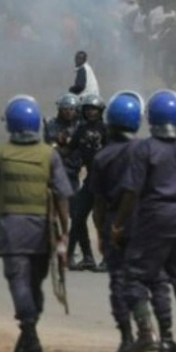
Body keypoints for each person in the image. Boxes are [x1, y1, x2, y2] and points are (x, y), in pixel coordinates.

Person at [113, 90, 176, 352]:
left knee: (134, 275)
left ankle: (146, 332)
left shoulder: (144, 148)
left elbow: (132, 192)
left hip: (153, 221)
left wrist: (118, 224)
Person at [0, 95, 74, 352]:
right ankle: (28, 333)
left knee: (19, 281)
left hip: (10, 229)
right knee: (35, 283)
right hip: (42, 232)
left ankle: (28, 332)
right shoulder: (50, 154)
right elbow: (63, 196)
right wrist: (65, 232)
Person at [90, 91, 174, 352]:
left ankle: (131, 335)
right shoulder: (148, 148)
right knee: (157, 279)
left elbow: (99, 201)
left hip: (118, 222)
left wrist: (102, 230)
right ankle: (167, 336)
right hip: (150, 221)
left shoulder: (102, 157)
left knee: (121, 281)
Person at [67, 93, 107, 271]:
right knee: (77, 215)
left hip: (106, 182)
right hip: (90, 180)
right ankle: (86, 257)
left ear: (100, 111)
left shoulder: (107, 130)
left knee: (103, 220)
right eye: (88, 109)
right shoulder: (80, 130)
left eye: (94, 109)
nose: (91, 112)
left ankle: (108, 259)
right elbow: (68, 150)